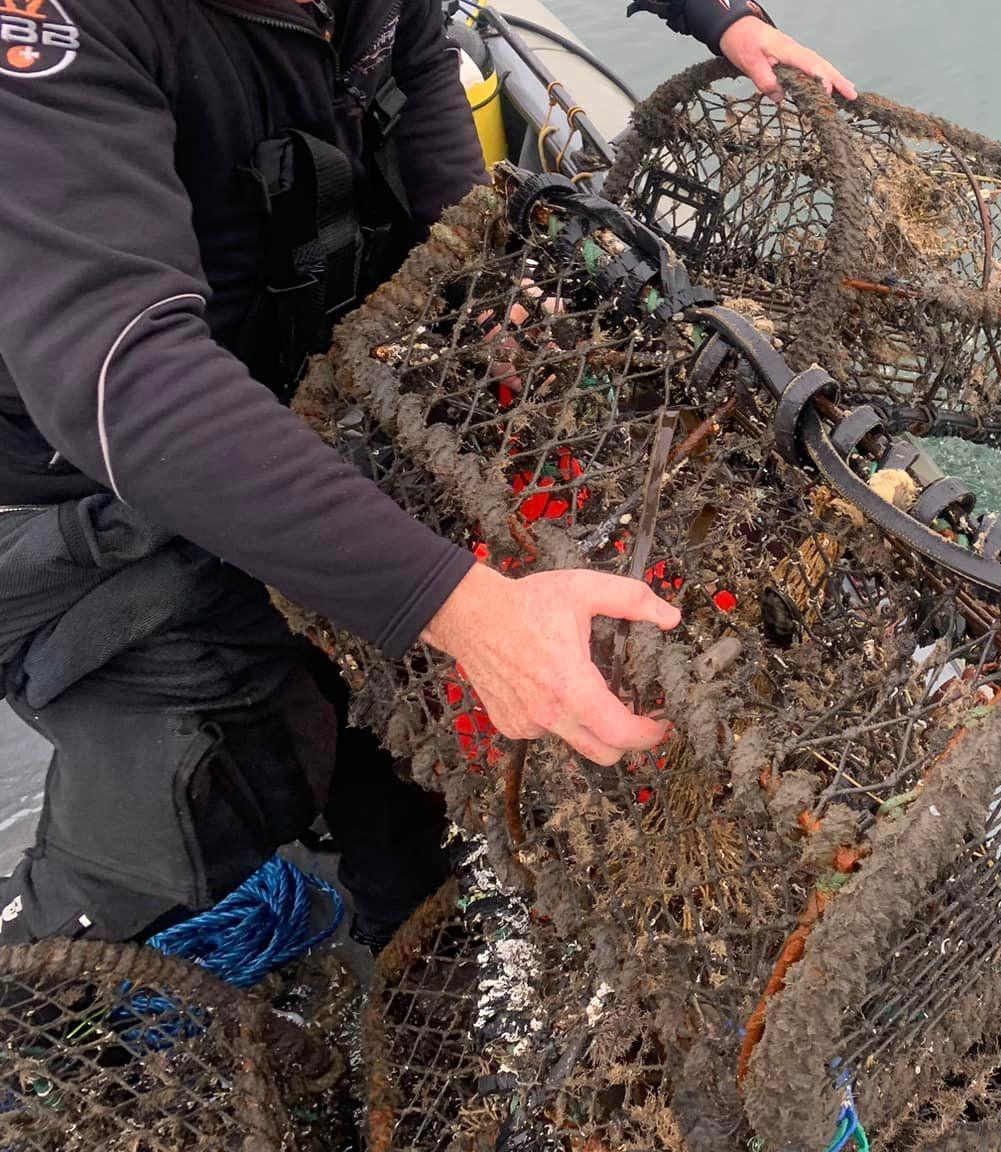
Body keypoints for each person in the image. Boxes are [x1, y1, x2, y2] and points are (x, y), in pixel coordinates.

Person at [0, 0, 854, 948]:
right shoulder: (49, 41)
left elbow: (415, 70)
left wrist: (723, 19)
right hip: (75, 490)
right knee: (253, 745)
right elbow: (129, 381)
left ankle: (398, 907)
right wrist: (462, 607)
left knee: (392, 754)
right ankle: (53, 988)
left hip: (302, 382)